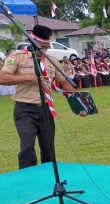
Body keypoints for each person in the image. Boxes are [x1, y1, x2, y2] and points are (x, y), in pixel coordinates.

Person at [0, 25, 80, 169]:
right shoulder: (18, 57)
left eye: (47, 46)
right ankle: (27, 179)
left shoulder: (51, 60)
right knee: (27, 147)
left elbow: (63, 83)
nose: (45, 49)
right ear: (33, 42)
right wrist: (29, 78)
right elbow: (3, 77)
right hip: (25, 109)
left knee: (48, 148)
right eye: (42, 46)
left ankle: (48, 178)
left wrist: (80, 104)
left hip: (46, 109)